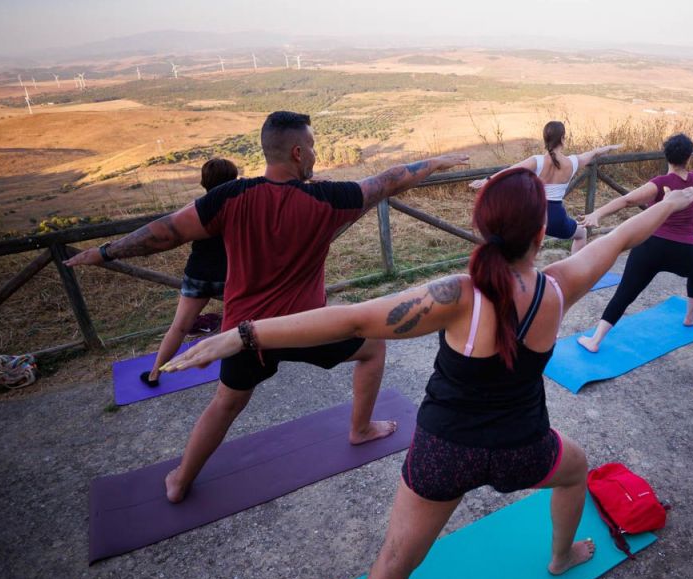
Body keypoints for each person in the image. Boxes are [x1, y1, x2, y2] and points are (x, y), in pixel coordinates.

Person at [162, 168, 693, 579]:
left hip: (445, 457)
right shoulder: (560, 286)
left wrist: (244, 332)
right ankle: (560, 558)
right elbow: (623, 236)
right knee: (575, 470)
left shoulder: (455, 297)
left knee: (398, 556)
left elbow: (352, 321)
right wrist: (672, 201)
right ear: (542, 235)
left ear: (480, 227)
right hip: (524, 448)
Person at [66, 111, 469, 503]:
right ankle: (360, 429)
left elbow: (165, 232)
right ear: (297, 152)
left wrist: (105, 251)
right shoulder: (328, 199)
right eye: (311, 146)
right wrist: (435, 161)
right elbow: (388, 181)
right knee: (373, 348)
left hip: (243, 337)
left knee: (226, 404)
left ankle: (180, 479)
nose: (314, 154)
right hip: (309, 329)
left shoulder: (229, 197)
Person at [573, 133, 693, 353]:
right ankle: (690, 316)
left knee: (625, 293)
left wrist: (598, 213)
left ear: (666, 156)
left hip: (649, 246)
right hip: (684, 250)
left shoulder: (660, 183)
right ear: (690, 156)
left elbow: (627, 200)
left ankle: (595, 340)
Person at [139, 158, 239, 388]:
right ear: (234, 180)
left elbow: (170, 229)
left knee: (180, 327)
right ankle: (241, 370)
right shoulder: (239, 207)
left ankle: (155, 374)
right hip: (230, 276)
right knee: (240, 324)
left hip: (198, 274)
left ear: (204, 182)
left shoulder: (196, 207)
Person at [469, 120, 620, 254]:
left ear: (545, 138)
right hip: (556, 217)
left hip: (532, 214)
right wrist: (610, 147)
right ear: (562, 138)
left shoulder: (537, 161)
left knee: (523, 248)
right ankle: (573, 269)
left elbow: (510, 171)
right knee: (581, 234)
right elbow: (593, 153)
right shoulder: (572, 162)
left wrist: (487, 180)